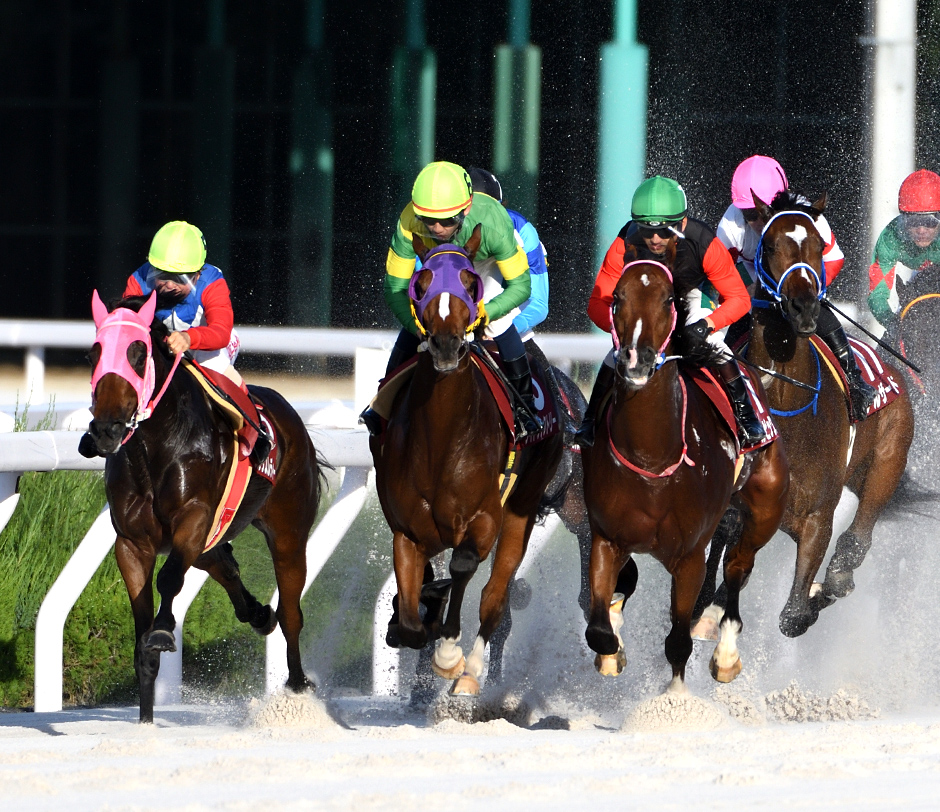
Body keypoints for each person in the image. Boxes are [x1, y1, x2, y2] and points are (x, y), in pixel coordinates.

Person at [575, 175, 765, 448]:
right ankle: (589, 422)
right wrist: (625, 330)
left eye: (665, 231)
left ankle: (746, 417)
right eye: (646, 230)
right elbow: (597, 303)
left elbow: (738, 299)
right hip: (649, 297)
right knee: (621, 350)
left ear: (682, 222)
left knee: (710, 342)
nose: (654, 239)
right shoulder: (624, 243)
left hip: (694, 292)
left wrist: (708, 324)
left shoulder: (705, 242)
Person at [359, 161, 542, 436]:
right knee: (427, 314)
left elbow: (521, 286)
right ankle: (382, 404)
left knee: (499, 323)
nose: (436, 228)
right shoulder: (409, 222)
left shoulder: (494, 223)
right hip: (435, 262)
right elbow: (395, 289)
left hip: (481, 259)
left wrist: (487, 312)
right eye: (428, 220)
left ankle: (525, 407)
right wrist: (419, 325)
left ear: (466, 209)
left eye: (446, 221)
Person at [79, 221, 268, 458]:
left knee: (213, 365)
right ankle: (102, 425)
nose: (168, 284)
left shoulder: (213, 283)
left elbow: (220, 330)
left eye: (180, 278)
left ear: (198, 274)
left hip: (209, 342)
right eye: (161, 275)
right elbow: (128, 331)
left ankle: (254, 428)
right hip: (162, 342)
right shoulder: (137, 281)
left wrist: (190, 338)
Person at [717, 155, 876, 421]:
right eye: (749, 214)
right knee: (730, 334)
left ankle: (855, 381)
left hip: (801, 284)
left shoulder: (807, 214)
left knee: (822, 317)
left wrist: (810, 292)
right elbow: (721, 270)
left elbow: (834, 259)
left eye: (761, 212)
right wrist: (747, 295)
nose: (755, 221)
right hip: (756, 284)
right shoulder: (730, 223)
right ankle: (724, 394)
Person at [868, 168, 940, 339]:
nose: (921, 230)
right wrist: (892, 323)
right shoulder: (890, 238)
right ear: (903, 219)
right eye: (914, 221)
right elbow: (877, 296)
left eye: (929, 222)